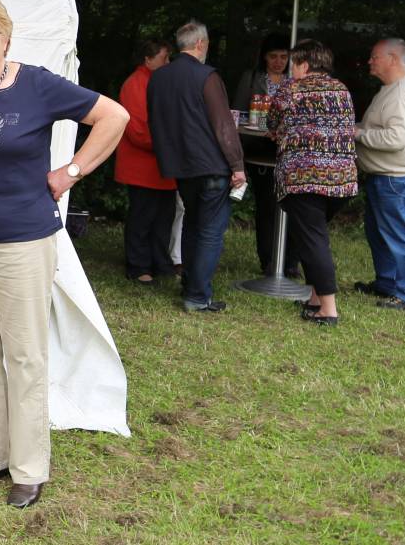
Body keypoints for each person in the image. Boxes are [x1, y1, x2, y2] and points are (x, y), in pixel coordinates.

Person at [0, 0, 128, 508]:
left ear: (6, 37)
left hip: (24, 237)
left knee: (24, 352)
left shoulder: (38, 84)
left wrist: (70, 172)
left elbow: (115, 117)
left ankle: (30, 468)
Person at [145, 21, 247, 313]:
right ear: (201, 44)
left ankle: (190, 283)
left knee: (192, 223)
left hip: (180, 164)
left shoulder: (158, 77)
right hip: (211, 164)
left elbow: (156, 120)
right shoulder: (207, 76)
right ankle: (198, 295)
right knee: (211, 230)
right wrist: (237, 165)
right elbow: (223, 125)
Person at [266, 39, 358, 325]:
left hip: (304, 178)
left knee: (313, 240)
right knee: (314, 237)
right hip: (342, 180)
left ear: (304, 64)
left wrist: (281, 131)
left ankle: (328, 310)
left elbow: (271, 122)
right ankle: (316, 298)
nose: (291, 69)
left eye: (293, 63)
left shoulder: (291, 89)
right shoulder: (342, 90)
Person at [353, 38, 405, 311]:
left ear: (394, 59)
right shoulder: (390, 90)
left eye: (375, 56)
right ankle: (387, 283)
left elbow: (397, 138)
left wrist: (359, 134)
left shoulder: (402, 94)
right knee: (379, 232)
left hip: (397, 178)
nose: (370, 61)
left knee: (401, 235)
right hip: (386, 176)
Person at [232, 34, 297, 278]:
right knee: (267, 208)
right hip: (259, 150)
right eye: (273, 56)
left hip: (289, 152)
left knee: (294, 207)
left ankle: (290, 261)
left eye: (283, 56)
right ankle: (268, 259)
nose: (279, 62)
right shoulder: (252, 78)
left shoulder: (296, 81)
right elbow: (236, 112)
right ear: (264, 57)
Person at [114, 37, 178, 283]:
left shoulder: (159, 82)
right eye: (164, 58)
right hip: (142, 165)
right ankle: (138, 266)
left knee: (163, 218)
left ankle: (160, 263)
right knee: (143, 217)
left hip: (163, 165)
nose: (168, 63)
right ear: (147, 59)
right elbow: (138, 129)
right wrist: (171, 145)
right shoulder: (135, 84)